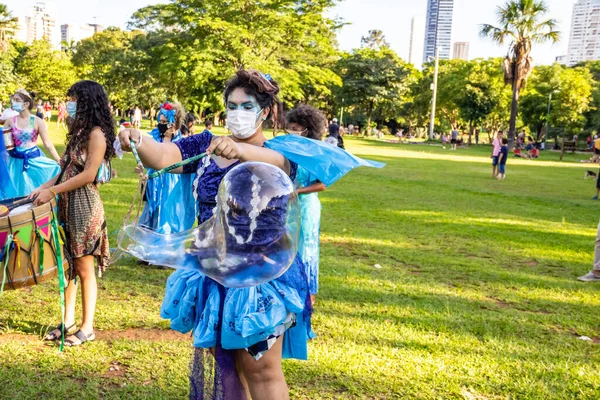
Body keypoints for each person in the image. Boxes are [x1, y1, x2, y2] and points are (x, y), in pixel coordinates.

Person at [118, 70, 312, 399]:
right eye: (231, 105)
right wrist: (139, 139)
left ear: (265, 112)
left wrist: (239, 150)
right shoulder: (205, 144)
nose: (237, 112)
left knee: (261, 368)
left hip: (260, 275)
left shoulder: (281, 152)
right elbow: (164, 157)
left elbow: (273, 162)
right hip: (212, 269)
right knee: (227, 366)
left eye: (246, 106)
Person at [31, 80, 115, 346]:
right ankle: (67, 322)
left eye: (75, 99)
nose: (70, 104)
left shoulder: (97, 134)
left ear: (87, 101)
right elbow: (63, 168)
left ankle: (87, 327)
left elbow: (89, 174)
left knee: (83, 266)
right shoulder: (79, 132)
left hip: (85, 206)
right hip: (68, 204)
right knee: (69, 266)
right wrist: (42, 188)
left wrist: (53, 192)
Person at [285, 105, 327, 305]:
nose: (292, 131)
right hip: (288, 206)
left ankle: (308, 294)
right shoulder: (288, 150)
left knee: (306, 247)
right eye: (290, 127)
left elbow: (322, 184)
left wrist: (297, 191)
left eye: (296, 128)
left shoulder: (316, 154)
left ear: (307, 129)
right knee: (289, 244)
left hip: (307, 207)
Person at [138, 102, 197, 235]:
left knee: (167, 210)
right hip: (154, 183)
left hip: (171, 182)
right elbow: (147, 160)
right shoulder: (154, 138)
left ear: (173, 124)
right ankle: (148, 243)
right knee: (151, 210)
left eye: (164, 121)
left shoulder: (181, 143)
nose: (161, 124)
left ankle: (165, 241)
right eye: (160, 121)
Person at [2, 89, 61, 200]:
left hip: (34, 160)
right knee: (18, 193)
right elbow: (8, 146)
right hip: (15, 162)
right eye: (13, 99)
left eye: (17, 100)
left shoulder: (37, 121)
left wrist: (59, 160)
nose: (13, 102)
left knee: (37, 189)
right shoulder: (9, 121)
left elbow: (47, 143)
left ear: (26, 104)